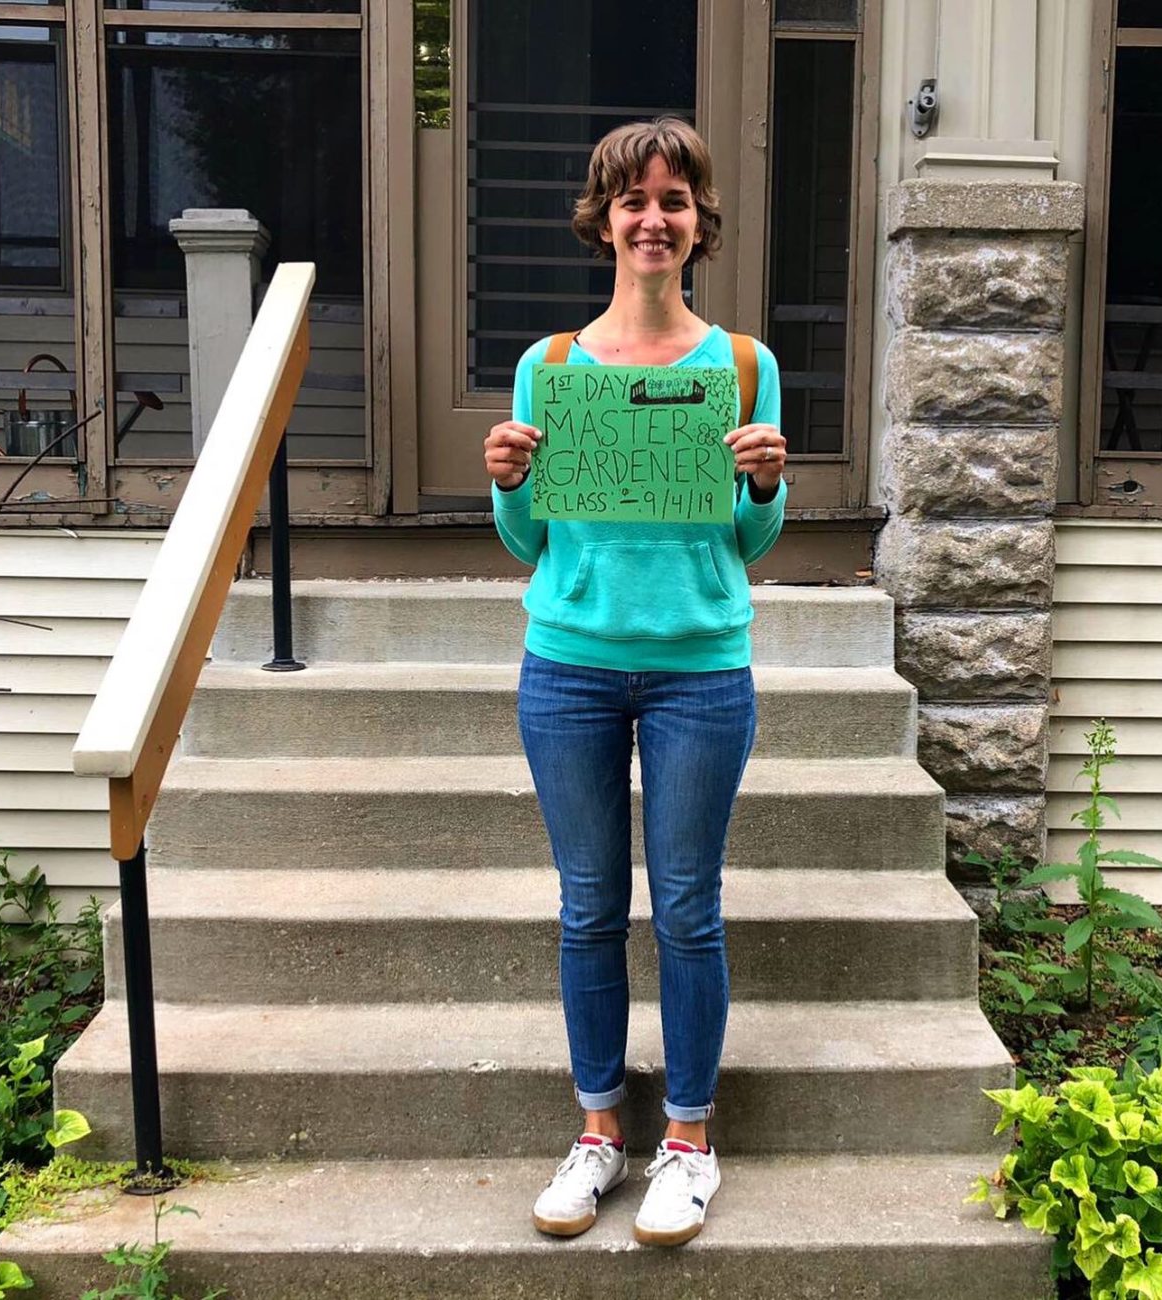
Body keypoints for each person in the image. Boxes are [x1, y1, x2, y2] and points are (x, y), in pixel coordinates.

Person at [482, 117, 787, 1248]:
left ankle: (691, 1141)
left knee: (690, 908)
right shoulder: (551, 368)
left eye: (674, 199)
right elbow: (528, 542)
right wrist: (507, 481)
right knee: (588, 908)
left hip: (700, 673)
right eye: (633, 201)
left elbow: (750, 544)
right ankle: (601, 1128)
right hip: (566, 666)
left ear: (700, 221)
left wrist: (764, 484)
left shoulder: (743, 366)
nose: (652, 218)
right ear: (603, 221)